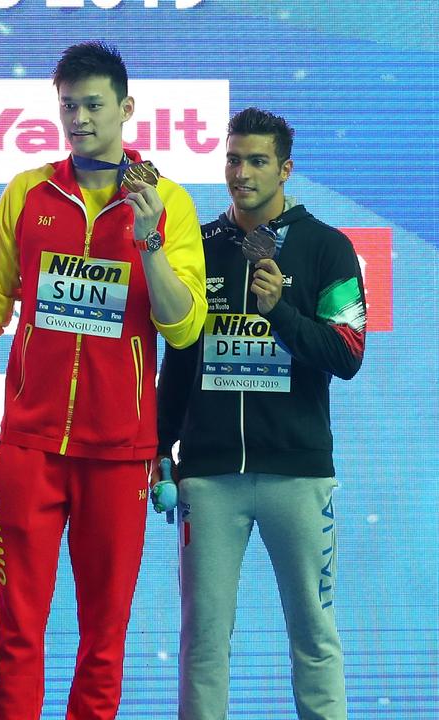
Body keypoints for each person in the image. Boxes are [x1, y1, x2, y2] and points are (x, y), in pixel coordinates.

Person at [0, 41, 208, 719]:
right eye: (68, 106)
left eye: (93, 105)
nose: (79, 119)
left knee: (104, 641)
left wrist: (150, 241)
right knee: (16, 633)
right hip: (29, 450)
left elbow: (183, 328)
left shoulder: (169, 205)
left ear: (126, 108)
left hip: (119, 453)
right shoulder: (28, 193)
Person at [157, 107, 366, 720]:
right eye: (233, 159)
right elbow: (179, 357)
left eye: (256, 161)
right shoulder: (194, 245)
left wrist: (281, 315)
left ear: (285, 168)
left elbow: (348, 354)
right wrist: (160, 449)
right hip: (209, 476)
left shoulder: (328, 247)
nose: (241, 173)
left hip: (299, 477)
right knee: (202, 642)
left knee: (315, 638)